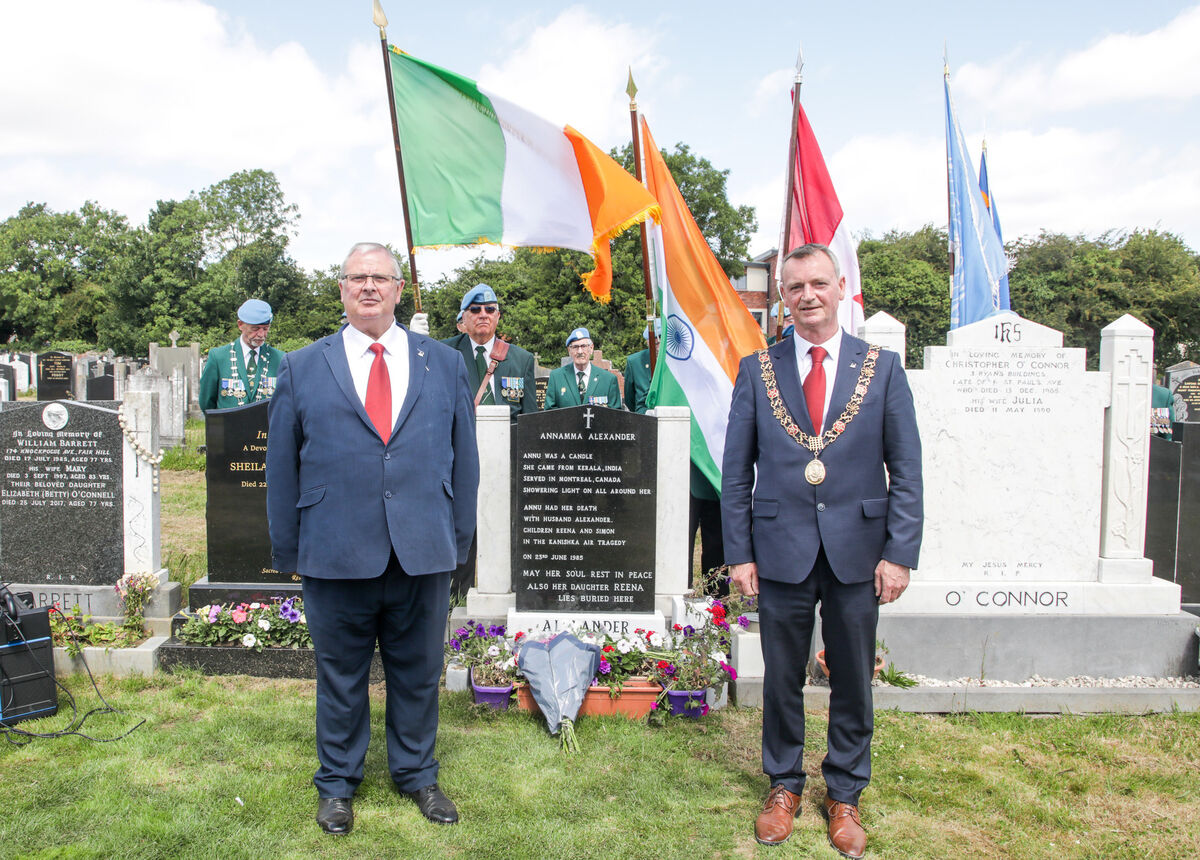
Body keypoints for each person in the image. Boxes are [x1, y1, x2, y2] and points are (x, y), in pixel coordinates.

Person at [266, 242, 479, 836]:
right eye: (356, 277)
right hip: (335, 550)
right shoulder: (303, 366)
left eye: (379, 278)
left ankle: (417, 774)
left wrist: (459, 544)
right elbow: (282, 468)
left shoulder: (443, 362)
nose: (368, 287)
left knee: (417, 671)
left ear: (398, 288)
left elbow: (466, 462)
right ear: (340, 289)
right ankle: (336, 784)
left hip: (422, 548)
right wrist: (289, 550)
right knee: (341, 675)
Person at [721, 243, 922, 856]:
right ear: (782, 297)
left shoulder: (881, 368)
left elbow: (906, 468)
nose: (806, 296)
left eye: (817, 283)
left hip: (859, 552)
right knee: (781, 675)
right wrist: (740, 553)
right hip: (779, 546)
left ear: (840, 288)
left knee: (853, 676)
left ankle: (845, 792)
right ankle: (783, 784)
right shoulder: (757, 370)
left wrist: (900, 553)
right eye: (793, 287)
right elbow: (736, 473)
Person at [442, 284, 537, 418]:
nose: (483, 315)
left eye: (490, 309)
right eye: (475, 310)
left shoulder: (521, 359)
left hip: (507, 437)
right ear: (463, 317)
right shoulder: (445, 352)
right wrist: (416, 339)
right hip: (463, 437)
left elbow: (530, 419)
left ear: (497, 316)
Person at [198, 299, 284, 411]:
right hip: (230, 427)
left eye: (265, 328)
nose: (261, 334)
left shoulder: (280, 359)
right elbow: (207, 403)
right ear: (240, 325)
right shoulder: (219, 357)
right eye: (255, 329)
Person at [544, 327, 623, 410]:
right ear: (569, 350)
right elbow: (549, 413)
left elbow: (615, 416)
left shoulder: (608, 380)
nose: (580, 351)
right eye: (575, 347)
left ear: (591, 348)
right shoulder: (556, 377)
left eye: (583, 346)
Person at [623, 321, 659, 415]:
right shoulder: (635, 361)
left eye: (660, 341)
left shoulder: (675, 362)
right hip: (645, 418)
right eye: (654, 343)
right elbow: (630, 399)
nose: (658, 347)